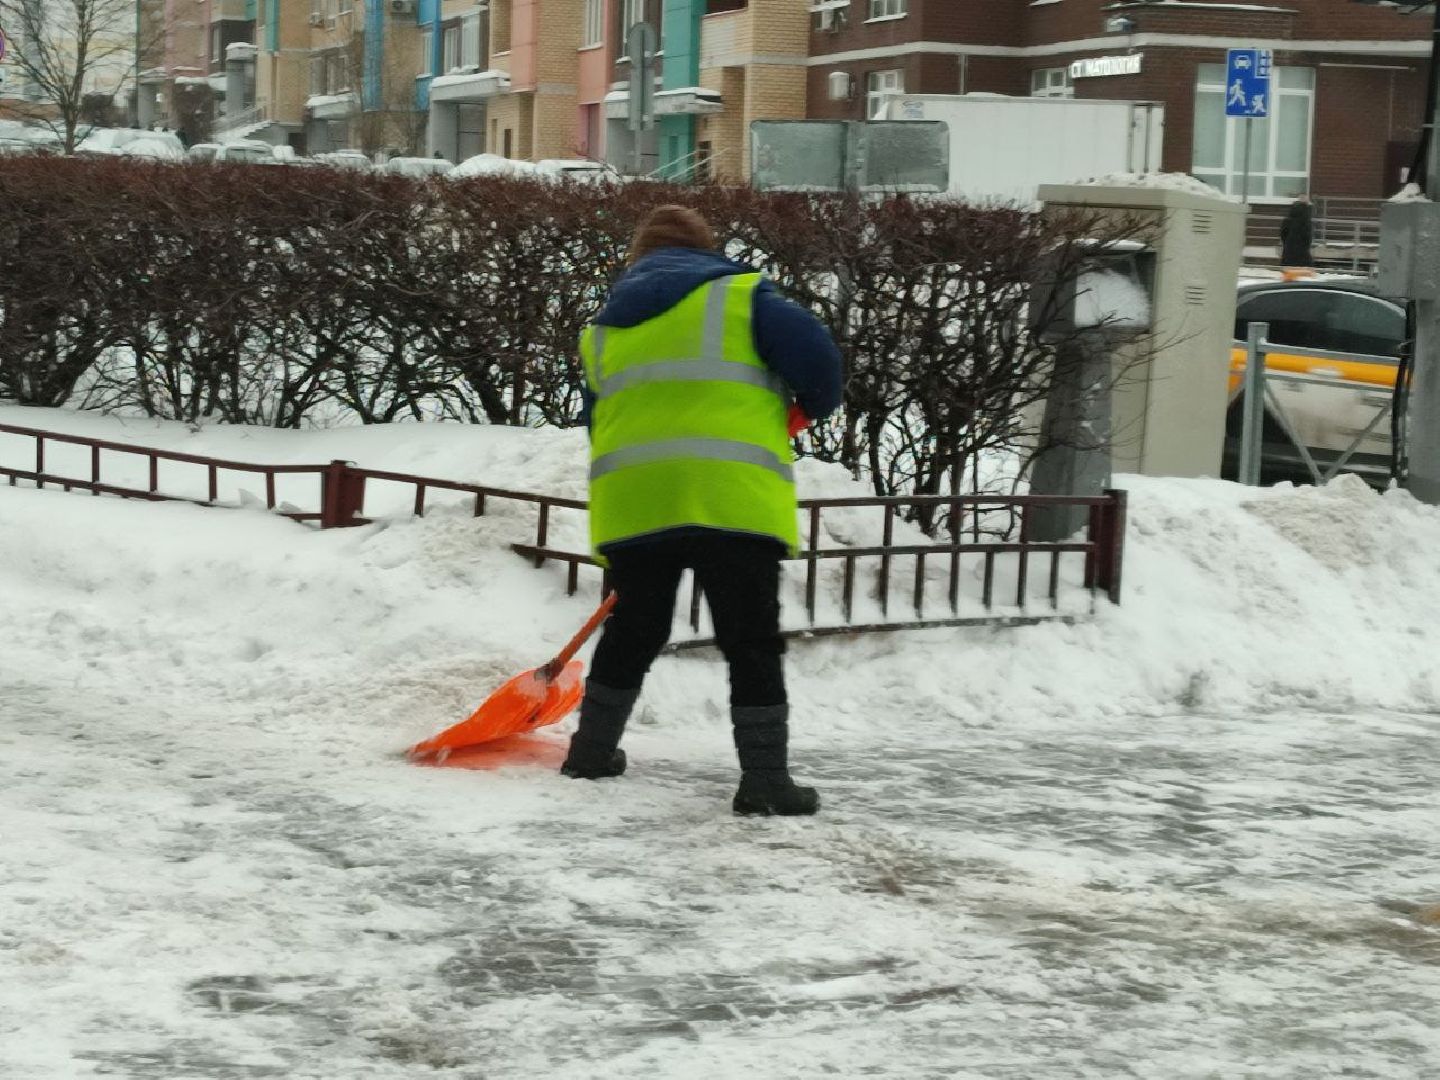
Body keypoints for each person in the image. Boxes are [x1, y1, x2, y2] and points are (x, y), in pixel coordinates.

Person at [561, 205, 843, 816]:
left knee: (635, 628)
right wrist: (808, 407)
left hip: (636, 499)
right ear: (706, 250)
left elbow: (597, 419)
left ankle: (590, 753)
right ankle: (765, 782)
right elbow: (817, 357)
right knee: (749, 637)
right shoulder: (743, 297)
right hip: (729, 494)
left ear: (637, 260)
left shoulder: (602, 331)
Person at [1279, 194, 1314, 269]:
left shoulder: (1288, 219)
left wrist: (1286, 244)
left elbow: (1283, 234)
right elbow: (1308, 237)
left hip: (1288, 252)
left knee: (1288, 273)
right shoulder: (1306, 220)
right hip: (1302, 254)